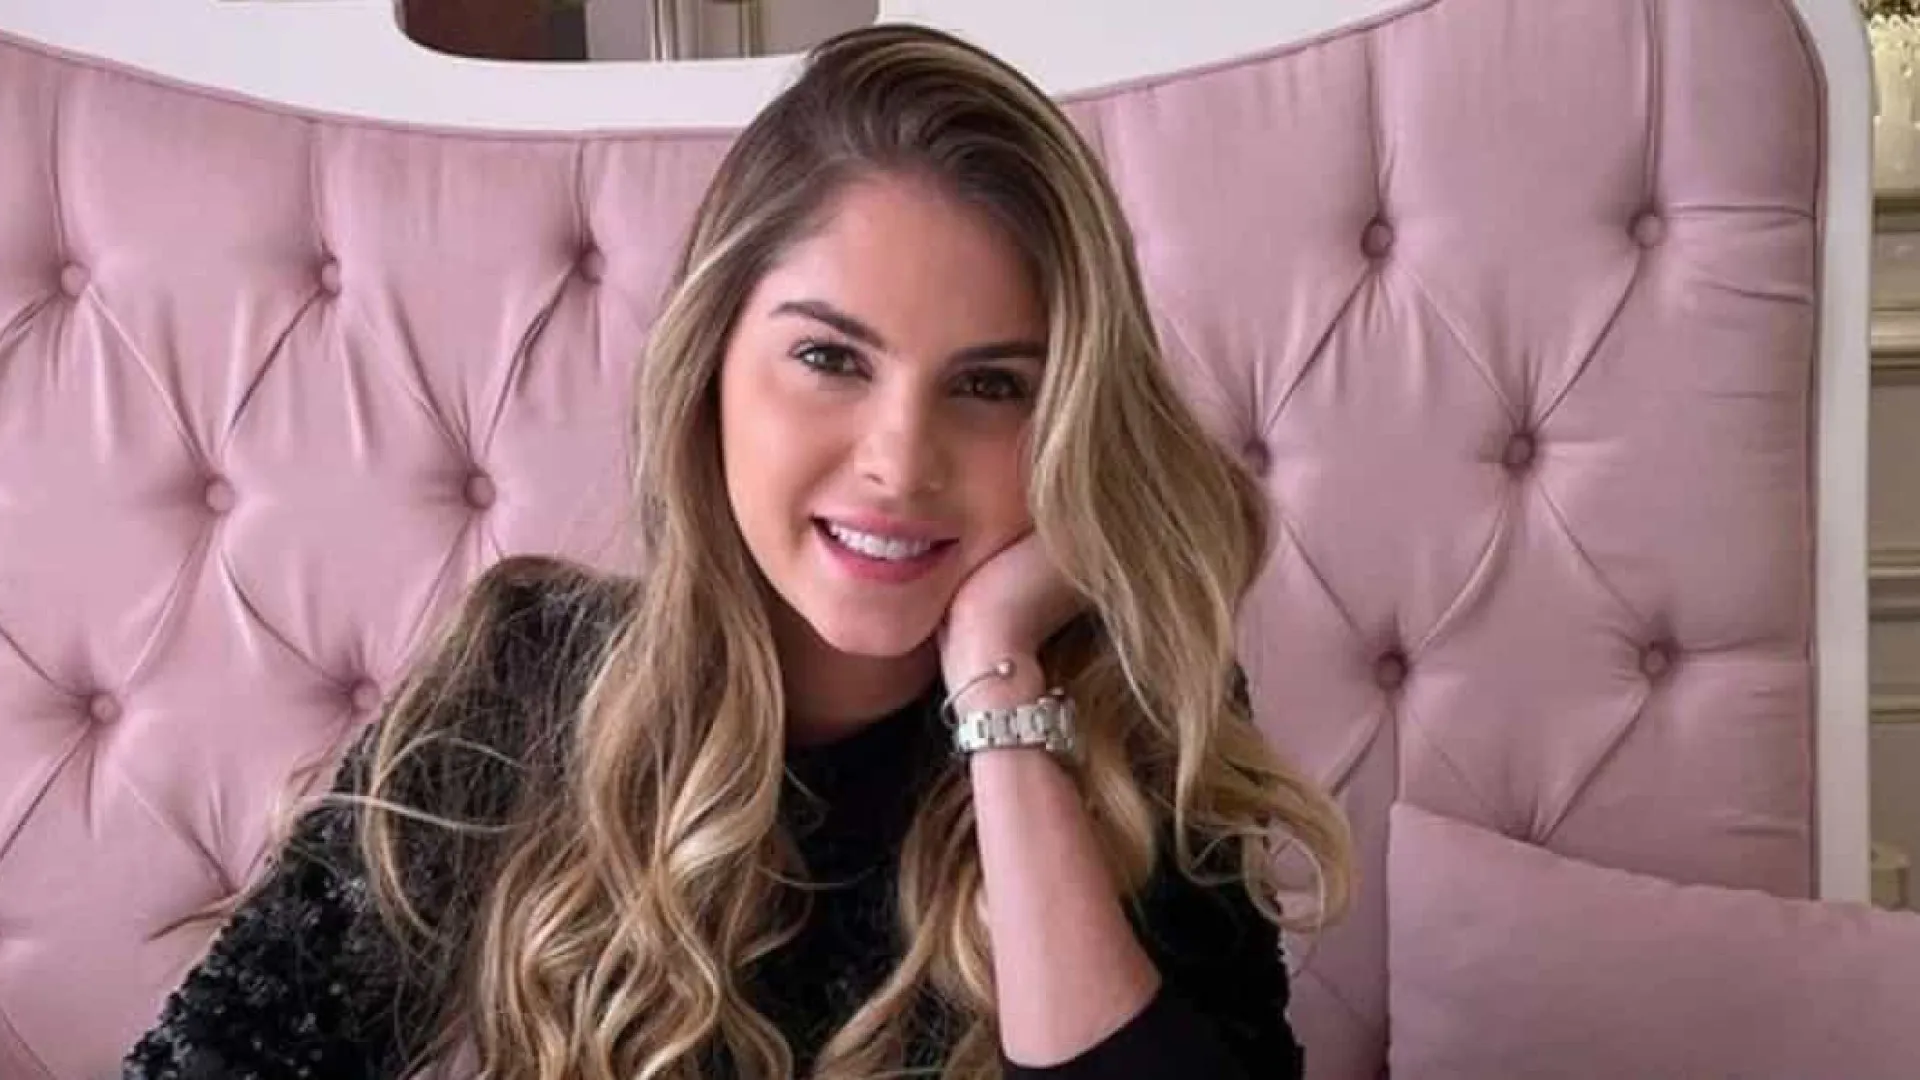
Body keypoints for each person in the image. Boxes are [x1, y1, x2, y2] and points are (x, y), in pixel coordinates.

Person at [122, 21, 1351, 1080]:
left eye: (991, 385)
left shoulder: (1133, 717)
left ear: (1072, 415)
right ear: (710, 366)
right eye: (830, 358)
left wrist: (1000, 694)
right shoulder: (525, 680)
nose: (900, 461)